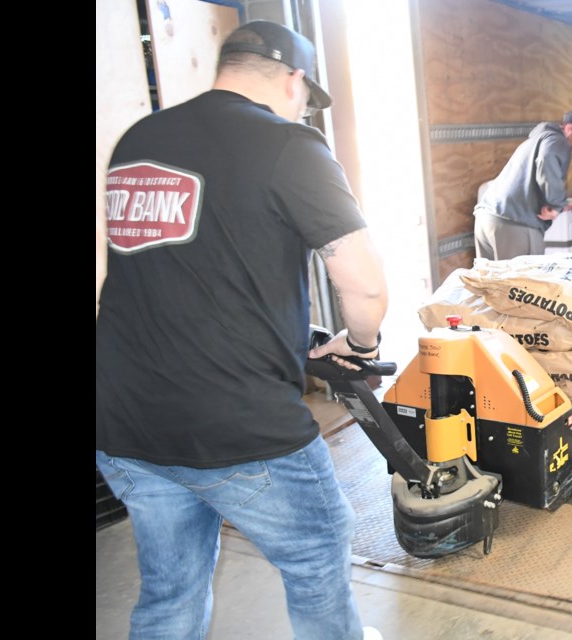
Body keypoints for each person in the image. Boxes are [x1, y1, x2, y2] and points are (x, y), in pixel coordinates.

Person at [96, 20, 387, 640]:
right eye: (305, 96)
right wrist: (361, 345)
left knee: (171, 593)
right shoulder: (290, 145)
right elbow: (362, 285)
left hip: (123, 419)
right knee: (316, 555)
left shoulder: (138, 140)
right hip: (236, 424)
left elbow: (188, 273)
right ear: (293, 80)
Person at [473, 109, 572, 260]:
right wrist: (556, 205)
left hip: (486, 220)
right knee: (525, 282)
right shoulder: (558, 140)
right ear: (569, 128)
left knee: (490, 281)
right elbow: (547, 161)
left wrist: (559, 202)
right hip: (514, 224)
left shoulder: (536, 140)